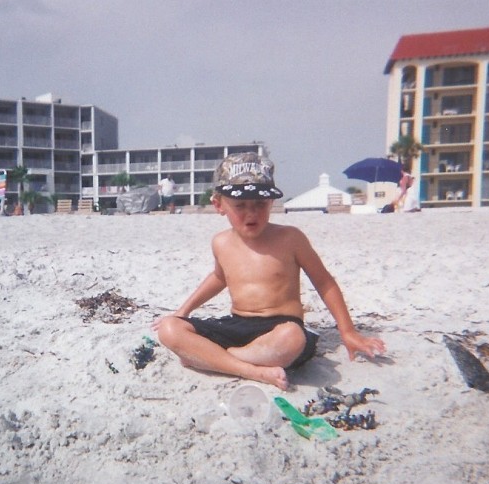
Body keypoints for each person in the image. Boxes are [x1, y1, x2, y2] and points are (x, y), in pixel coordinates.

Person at [152, 152, 386, 390]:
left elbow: (324, 282)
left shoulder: (291, 238)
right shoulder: (221, 242)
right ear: (218, 205)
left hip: (279, 328)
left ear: (271, 202)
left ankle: (212, 358)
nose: (251, 213)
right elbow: (219, 278)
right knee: (171, 328)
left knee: (293, 338)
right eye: (240, 205)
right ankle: (250, 370)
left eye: (260, 204)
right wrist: (183, 311)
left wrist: (347, 331)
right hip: (237, 324)